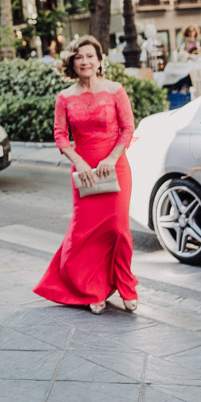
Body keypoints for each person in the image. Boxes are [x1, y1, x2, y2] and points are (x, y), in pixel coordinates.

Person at [33, 35, 138, 314]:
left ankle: (126, 287)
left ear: (100, 60)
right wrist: (78, 161)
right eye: (79, 57)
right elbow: (60, 135)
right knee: (86, 233)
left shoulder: (116, 90)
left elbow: (128, 129)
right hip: (84, 170)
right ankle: (93, 289)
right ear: (72, 62)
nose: (85, 61)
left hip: (115, 166)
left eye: (90, 56)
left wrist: (112, 158)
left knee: (118, 230)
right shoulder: (65, 97)